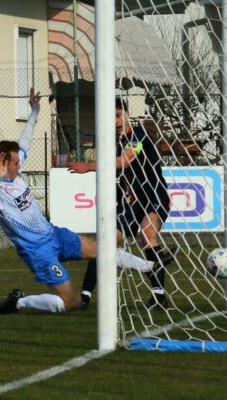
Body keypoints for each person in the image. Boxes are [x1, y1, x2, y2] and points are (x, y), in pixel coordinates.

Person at [0, 89, 153, 315]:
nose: (20, 163)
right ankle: (19, 302)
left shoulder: (15, 169)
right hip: (38, 251)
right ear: (3, 164)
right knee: (72, 303)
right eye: (15, 162)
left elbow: (25, 139)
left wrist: (34, 111)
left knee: (102, 249)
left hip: (54, 235)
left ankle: (150, 266)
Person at [68, 98, 173, 311]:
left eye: (118, 115)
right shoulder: (111, 143)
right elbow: (118, 174)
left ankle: (159, 295)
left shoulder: (139, 135)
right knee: (104, 241)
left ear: (127, 113)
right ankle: (85, 296)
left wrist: (88, 167)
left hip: (153, 197)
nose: (115, 121)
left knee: (148, 233)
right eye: (110, 117)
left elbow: (124, 161)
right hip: (130, 204)